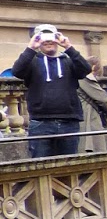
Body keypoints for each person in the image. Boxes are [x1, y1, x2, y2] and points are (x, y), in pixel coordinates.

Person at [12, 25, 93, 157]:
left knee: (68, 168)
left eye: (51, 37)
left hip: (69, 122)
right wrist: (31, 48)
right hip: (40, 123)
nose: (48, 41)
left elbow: (85, 70)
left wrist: (69, 48)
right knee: (40, 167)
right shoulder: (32, 61)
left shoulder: (68, 60)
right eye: (43, 38)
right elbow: (17, 71)